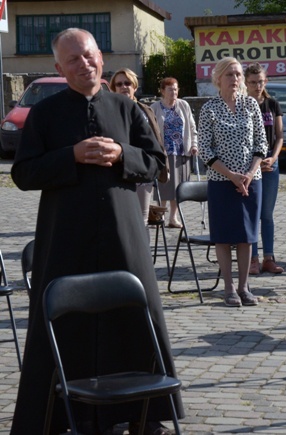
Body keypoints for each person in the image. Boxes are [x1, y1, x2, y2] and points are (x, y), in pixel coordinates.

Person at [10, 28, 182, 435]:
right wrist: (69, 156)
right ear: (59, 68)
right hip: (66, 239)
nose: (83, 64)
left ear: (100, 58)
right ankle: (58, 417)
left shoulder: (126, 107)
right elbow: (22, 173)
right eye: (73, 60)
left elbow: (157, 163)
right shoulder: (46, 114)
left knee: (135, 318)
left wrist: (123, 154)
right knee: (66, 325)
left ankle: (141, 412)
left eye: (88, 56)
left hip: (124, 238)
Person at [198, 57, 267, 307]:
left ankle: (244, 286)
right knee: (225, 236)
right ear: (218, 78)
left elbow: (261, 143)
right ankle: (228, 289)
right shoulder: (209, 109)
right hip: (221, 181)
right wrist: (231, 175)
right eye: (230, 75)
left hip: (251, 180)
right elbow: (205, 149)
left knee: (247, 235)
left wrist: (249, 173)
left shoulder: (251, 105)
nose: (235, 79)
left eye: (238, 74)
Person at [109, 67, 168, 225]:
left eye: (127, 83)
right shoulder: (108, 111)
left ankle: (142, 250)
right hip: (117, 172)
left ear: (134, 86)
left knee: (141, 221)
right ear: (113, 89)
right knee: (119, 221)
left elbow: (156, 140)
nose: (123, 87)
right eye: (119, 84)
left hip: (142, 171)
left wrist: (161, 166)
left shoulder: (145, 110)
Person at [244, 62, 284, 275]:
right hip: (250, 166)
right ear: (246, 83)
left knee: (267, 214)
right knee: (252, 212)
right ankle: (252, 258)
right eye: (252, 82)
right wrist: (256, 162)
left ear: (265, 81)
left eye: (260, 81)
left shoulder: (272, 104)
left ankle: (269, 257)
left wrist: (273, 157)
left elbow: (279, 136)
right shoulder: (242, 104)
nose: (257, 86)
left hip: (270, 164)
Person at [151, 77, 198, 228]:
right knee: (165, 184)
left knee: (178, 186)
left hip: (181, 151)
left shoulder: (183, 105)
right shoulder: (155, 107)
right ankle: (160, 214)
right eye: (170, 89)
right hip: (164, 152)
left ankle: (173, 217)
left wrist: (194, 145)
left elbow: (192, 127)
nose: (174, 92)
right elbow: (151, 130)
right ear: (162, 91)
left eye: (176, 89)